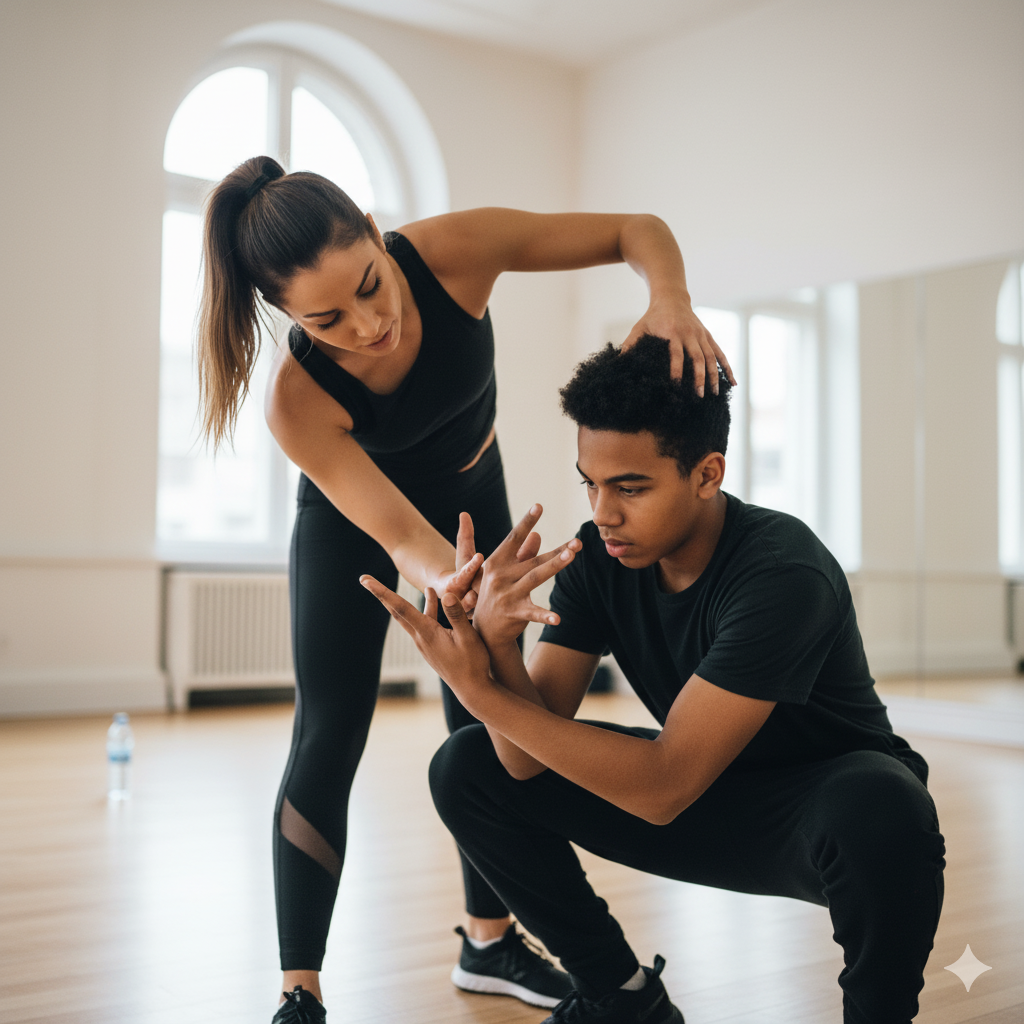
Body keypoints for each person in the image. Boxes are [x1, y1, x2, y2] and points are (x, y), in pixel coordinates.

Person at [196, 156, 735, 1023]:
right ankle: (301, 993)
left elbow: (638, 230)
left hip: (472, 494)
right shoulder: (297, 400)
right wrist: (462, 585)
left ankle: (489, 944)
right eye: (326, 319)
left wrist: (667, 300)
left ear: (378, 234)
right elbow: (403, 535)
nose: (368, 326)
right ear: (285, 315)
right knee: (329, 731)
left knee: (489, 721)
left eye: (372, 286)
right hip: (359, 531)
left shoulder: (454, 253)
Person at [361, 336, 947, 1024]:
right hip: (703, 797)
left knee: (881, 802)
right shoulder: (599, 559)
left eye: (630, 487)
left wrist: (479, 690)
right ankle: (624, 1000)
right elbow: (523, 761)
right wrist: (496, 647)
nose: (604, 512)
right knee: (469, 764)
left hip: (816, 818)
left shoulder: (784, 572)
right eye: (591, 482)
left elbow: (665, 786)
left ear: (707, 474)